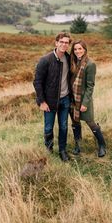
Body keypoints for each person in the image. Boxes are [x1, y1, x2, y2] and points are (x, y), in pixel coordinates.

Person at [33, 32, 71, 162]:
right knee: (48, 127)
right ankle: (49, 149)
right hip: (49, 101)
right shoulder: (45, 60)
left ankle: (62, 150)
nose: (64, 44)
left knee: (64, 126)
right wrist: (41, 101)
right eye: (61, 42)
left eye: (66, 42)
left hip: (65, 99)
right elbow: (37, 82)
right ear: (56, 43)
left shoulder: (69, 59)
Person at [70, 39, 106, 157]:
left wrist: (84, 103)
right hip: (73, 99)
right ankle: (78, 145)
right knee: (75, 122)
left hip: (83, 100)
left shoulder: (90, 64)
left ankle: (102, 145)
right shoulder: (73, 62)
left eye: (80, 48)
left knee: (90, 122)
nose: (77, 51)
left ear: (84, 49)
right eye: (75, 49)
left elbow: (90, 86)